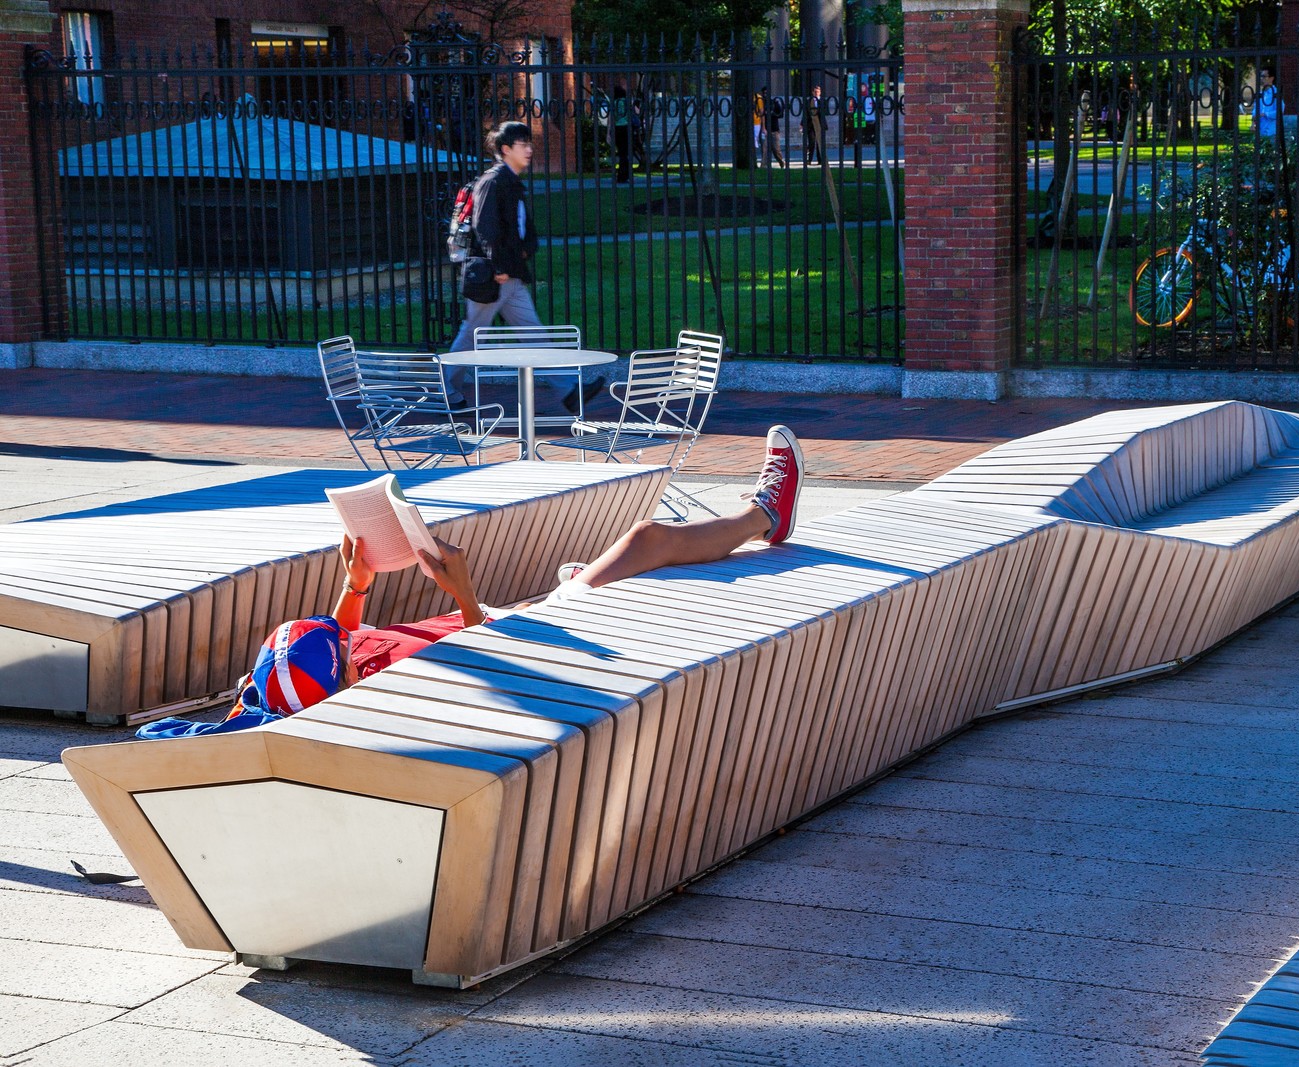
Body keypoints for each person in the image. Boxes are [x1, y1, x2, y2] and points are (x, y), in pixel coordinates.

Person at [135, 427, 807, 739]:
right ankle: (766, 512)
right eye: (340, 645)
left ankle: (581, 582)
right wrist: (461, 593)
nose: (347, 634)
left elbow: (334, 638)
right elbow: (499, 666)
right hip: (519, 637)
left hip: (506, 615)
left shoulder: (333, 664)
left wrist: (359, 580)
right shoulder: (396, 679)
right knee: (646, 538)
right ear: (342, 677)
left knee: (633, 547)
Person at [447, 121, 600, 413]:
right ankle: (443, 388)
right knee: (471, 334)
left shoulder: (511, 181)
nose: (530, 149)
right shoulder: (493, 181)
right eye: (523, 144)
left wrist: (527, 249)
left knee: (533, 334)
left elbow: (519, 227)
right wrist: (499, 266)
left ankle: (569, 390)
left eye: (529, 144)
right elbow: (486, 228)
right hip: (494, 277)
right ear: (506, 149)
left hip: (509, 275)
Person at [609, 84, 633, 185]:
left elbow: (611, 118)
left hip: (617, 128)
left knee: (621, 153)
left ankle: (621, 175)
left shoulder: (614, 103)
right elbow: (636, 111)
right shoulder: (627, 102)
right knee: (625, 154)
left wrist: (608, 133)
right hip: (627, 127)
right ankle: (623, 175)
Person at [1255, 65, 1280, 142]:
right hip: (1260, 131)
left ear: (1271, 78)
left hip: (1272, 131)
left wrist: (1265, 114)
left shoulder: (1276, 93)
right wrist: (1253, 123)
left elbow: (1279, 112)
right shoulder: (1260, 94)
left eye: (1264, 76)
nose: (1261, 79)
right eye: (1261, 76)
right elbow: (1255, 110)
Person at [803, 84, 827, 165]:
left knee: (819, 142)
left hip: (820, 124)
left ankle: (820, 160)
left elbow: (825, 112)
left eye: (818, 92)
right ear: (813, 92)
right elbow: (805, 113)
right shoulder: (809, 101)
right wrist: (802, 123)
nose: (816, 93)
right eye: (815, 92)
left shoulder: (822, 101)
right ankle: (809, 160)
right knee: (811, 142)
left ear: (820, 93)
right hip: (811, 124)